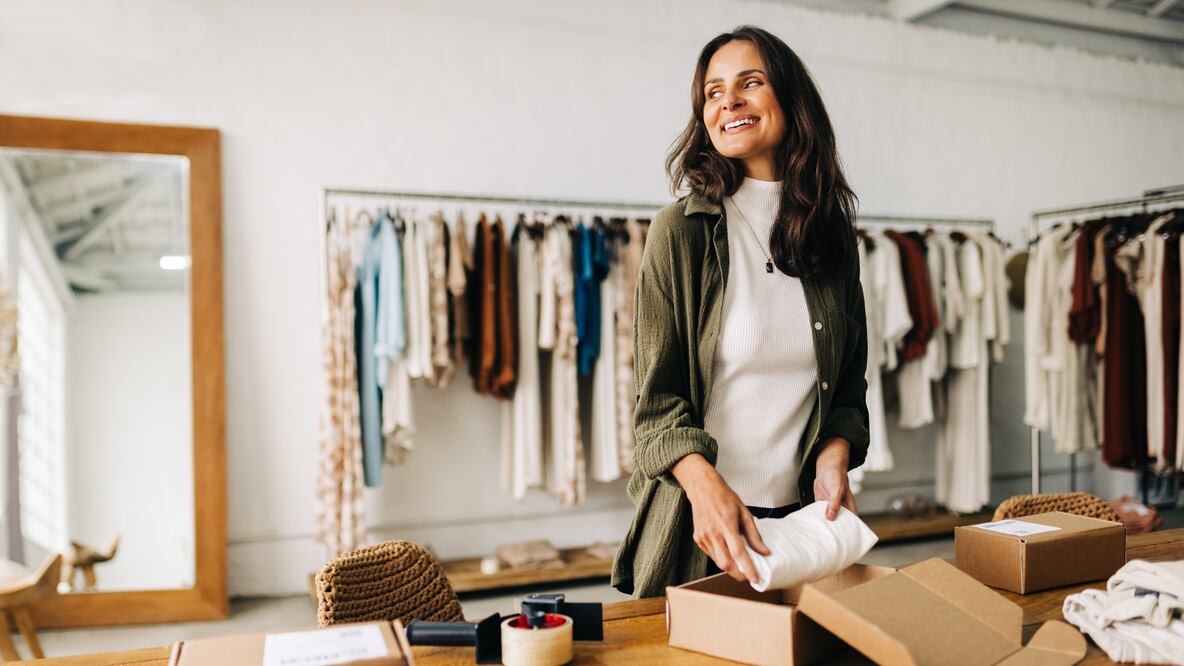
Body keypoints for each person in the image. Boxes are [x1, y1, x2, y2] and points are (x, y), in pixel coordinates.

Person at [610, 26, 870, 598]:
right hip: (702, 529)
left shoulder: (833, 239)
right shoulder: (679, 233)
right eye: (712, 91)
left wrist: (834, 453)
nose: (728, 101)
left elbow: (848, 389)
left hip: (803, 531)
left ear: (791, 100)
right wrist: (704, 487)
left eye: (750, 83)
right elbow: (656, 410)